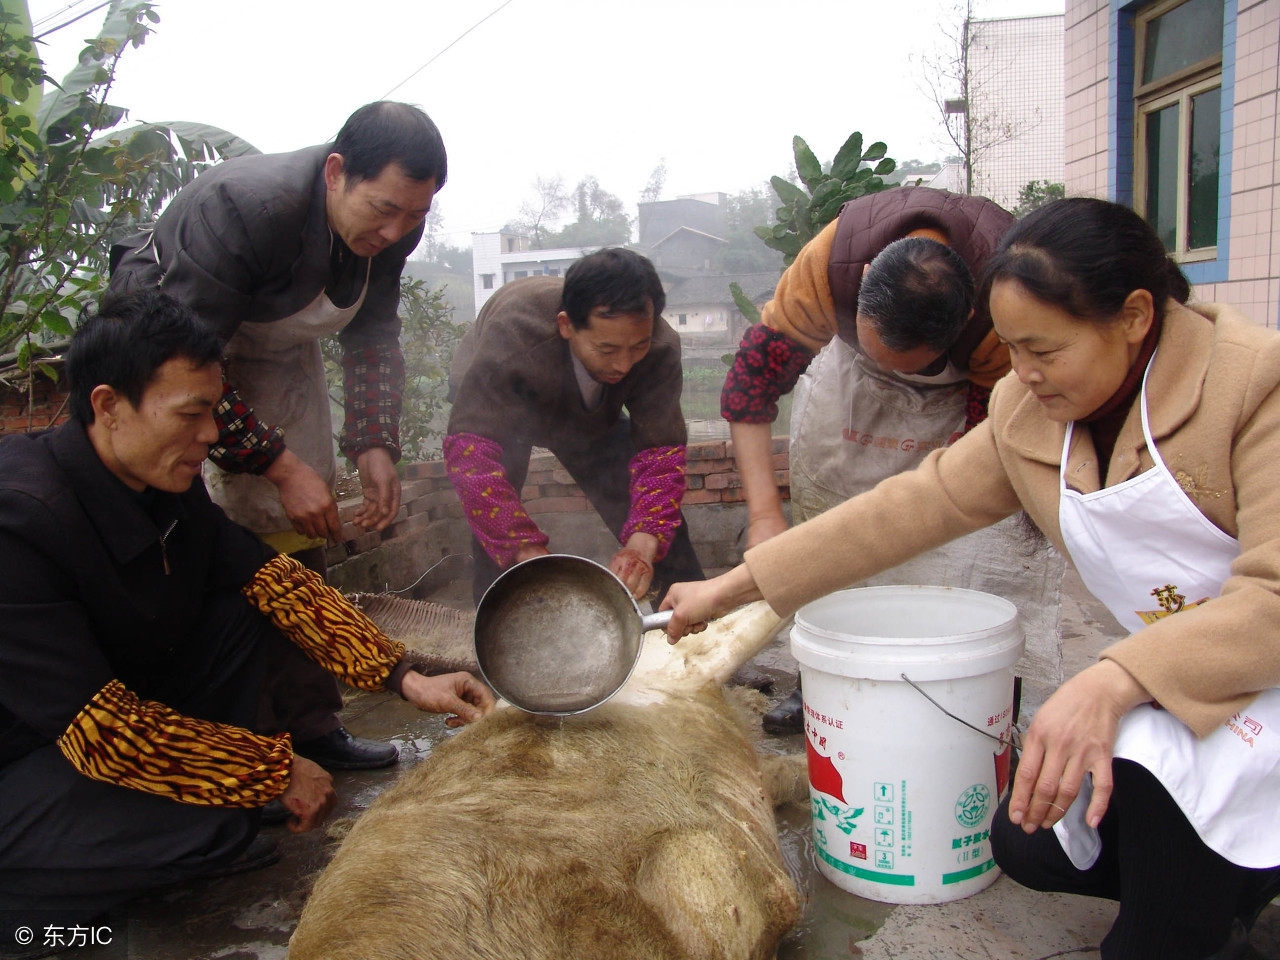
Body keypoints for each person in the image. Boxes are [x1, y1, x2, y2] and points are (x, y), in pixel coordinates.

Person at [662, 198, 1280, 959]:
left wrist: (1110, 681)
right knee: (1023, 845)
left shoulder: (1256, 390)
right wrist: (731, 588)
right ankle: (1226, 881)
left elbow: (1273, 599)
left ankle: (1206, 897)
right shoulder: (1034, 411)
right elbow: (909, 508)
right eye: (1010, 347)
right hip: (1178, 674)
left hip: (1254, 674)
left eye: (1043, 351)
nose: (1018, 375)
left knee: (1152, 926)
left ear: (1134, 316)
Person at [0, 291, 494, 957]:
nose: (211, 435)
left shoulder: (163, 486)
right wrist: (268, 771)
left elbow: (274, 579)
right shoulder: (21, 519)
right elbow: (103, 732)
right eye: (193, 414)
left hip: (114, 713)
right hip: (32, 755)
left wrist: (404, 676)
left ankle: (206, 800)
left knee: (245, 605)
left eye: (213, 411)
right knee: (209, 835)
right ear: (108, 406)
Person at [109, 101, 446, 769]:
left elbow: (374, 333)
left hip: (276, 349)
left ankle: (311, 725)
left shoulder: (395, 224)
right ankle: (245, 744)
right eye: (382, 209)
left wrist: (375, 441)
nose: (396, 229)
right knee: (202, 539)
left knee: (298, 535)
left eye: (414, 216)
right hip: (168, 354)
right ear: (335, 172)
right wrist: (276, 463)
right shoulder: (242, 209)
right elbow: (186, 360)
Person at [719, 186, 1064, 734]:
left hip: (966, 403)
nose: (899, 374)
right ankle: (822, 685)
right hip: (852, 395)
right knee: (829, 536)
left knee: (977, 557)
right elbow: (749, 389)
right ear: (859, 290)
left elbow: (990, 458)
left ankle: (984, 698)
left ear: (969, 316)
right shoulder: (826, 267)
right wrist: (765, 517)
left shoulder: (1008, 308)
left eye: (909, 364)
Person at [445, 247, 704, 605]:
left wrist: (642, 546)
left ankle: (692, 616)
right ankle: (500, 628)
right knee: (495, 523)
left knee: (658, 523)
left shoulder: (659, 348)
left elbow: (659, 458)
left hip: (593, 408)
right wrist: (531, 556)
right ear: (566, 325)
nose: (625, 365)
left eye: (638, 346)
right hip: (500, 404)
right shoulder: (513, 338)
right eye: (608, 348)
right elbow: (473, 464)